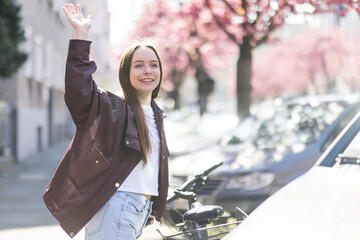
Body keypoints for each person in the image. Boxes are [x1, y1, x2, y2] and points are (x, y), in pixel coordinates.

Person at [43, 3, 169, 240]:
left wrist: (152, 203)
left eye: (153, 65)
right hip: (116, 209)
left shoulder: (155, 114)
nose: (148, 71)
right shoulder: (113, 107)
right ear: (126, 72)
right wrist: (81, 36)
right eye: (139, 65)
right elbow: (79, 91)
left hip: (137, 210)